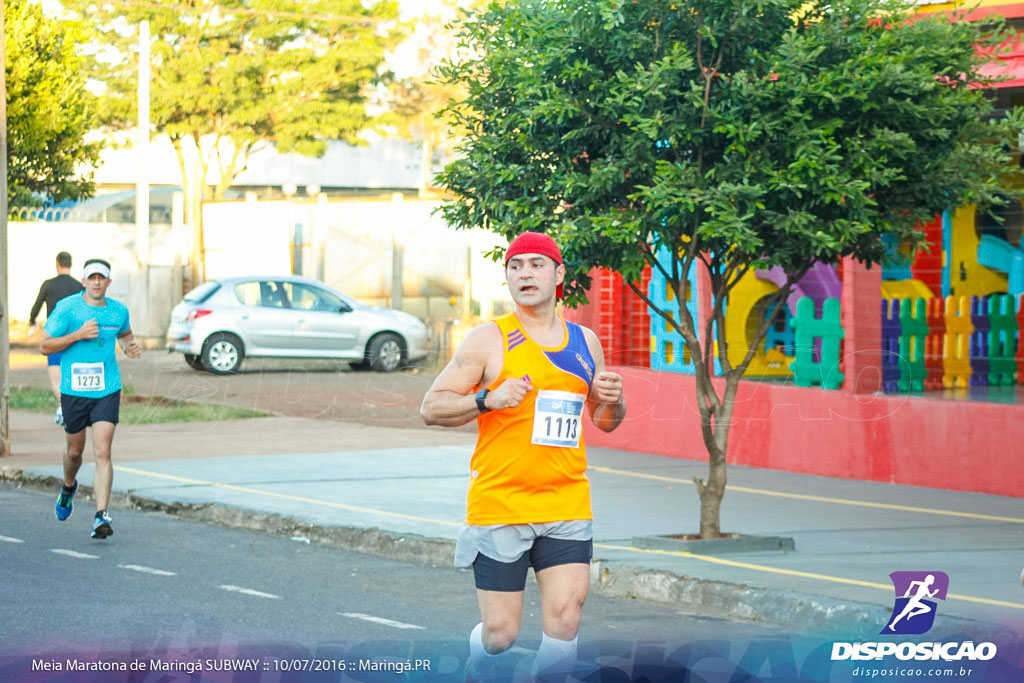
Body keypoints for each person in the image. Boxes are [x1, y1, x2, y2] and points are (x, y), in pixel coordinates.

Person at [420, 232, 626, 679]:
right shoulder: (487, 340)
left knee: (566, 620)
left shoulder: (585, 342)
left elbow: (605, 421)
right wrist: (485, 400)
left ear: (559, 274)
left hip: (566, 500)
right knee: (501, 636)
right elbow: (430, 407)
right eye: (516, 266)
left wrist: (614, 398)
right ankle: (477, 663)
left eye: (536, 264)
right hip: (501, 503)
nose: (525, 273)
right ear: (508, 278)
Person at [40, 259, 141, 539]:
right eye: (92, 277)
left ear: (109, 282)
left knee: (103, 451)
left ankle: (100, 516)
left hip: (107, 389)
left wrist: (129, 346)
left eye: (102, 277)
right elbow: (44, 345)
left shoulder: (118, 311)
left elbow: (125, 334)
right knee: (75, 452)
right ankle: (69, 486)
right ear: (83, 281)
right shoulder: (69, 308)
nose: (97, 282)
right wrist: (78, 334)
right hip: (74, 391)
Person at [28, 251, 85, 426]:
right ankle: (69, 408)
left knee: (56, 377)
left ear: (57, 264)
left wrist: (32, 322)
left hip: (54, 337)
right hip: (75, 337)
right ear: (71, 264)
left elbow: (36, 305)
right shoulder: (79, 287)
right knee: (74, 375)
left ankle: (63, 407)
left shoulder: (49, 285)